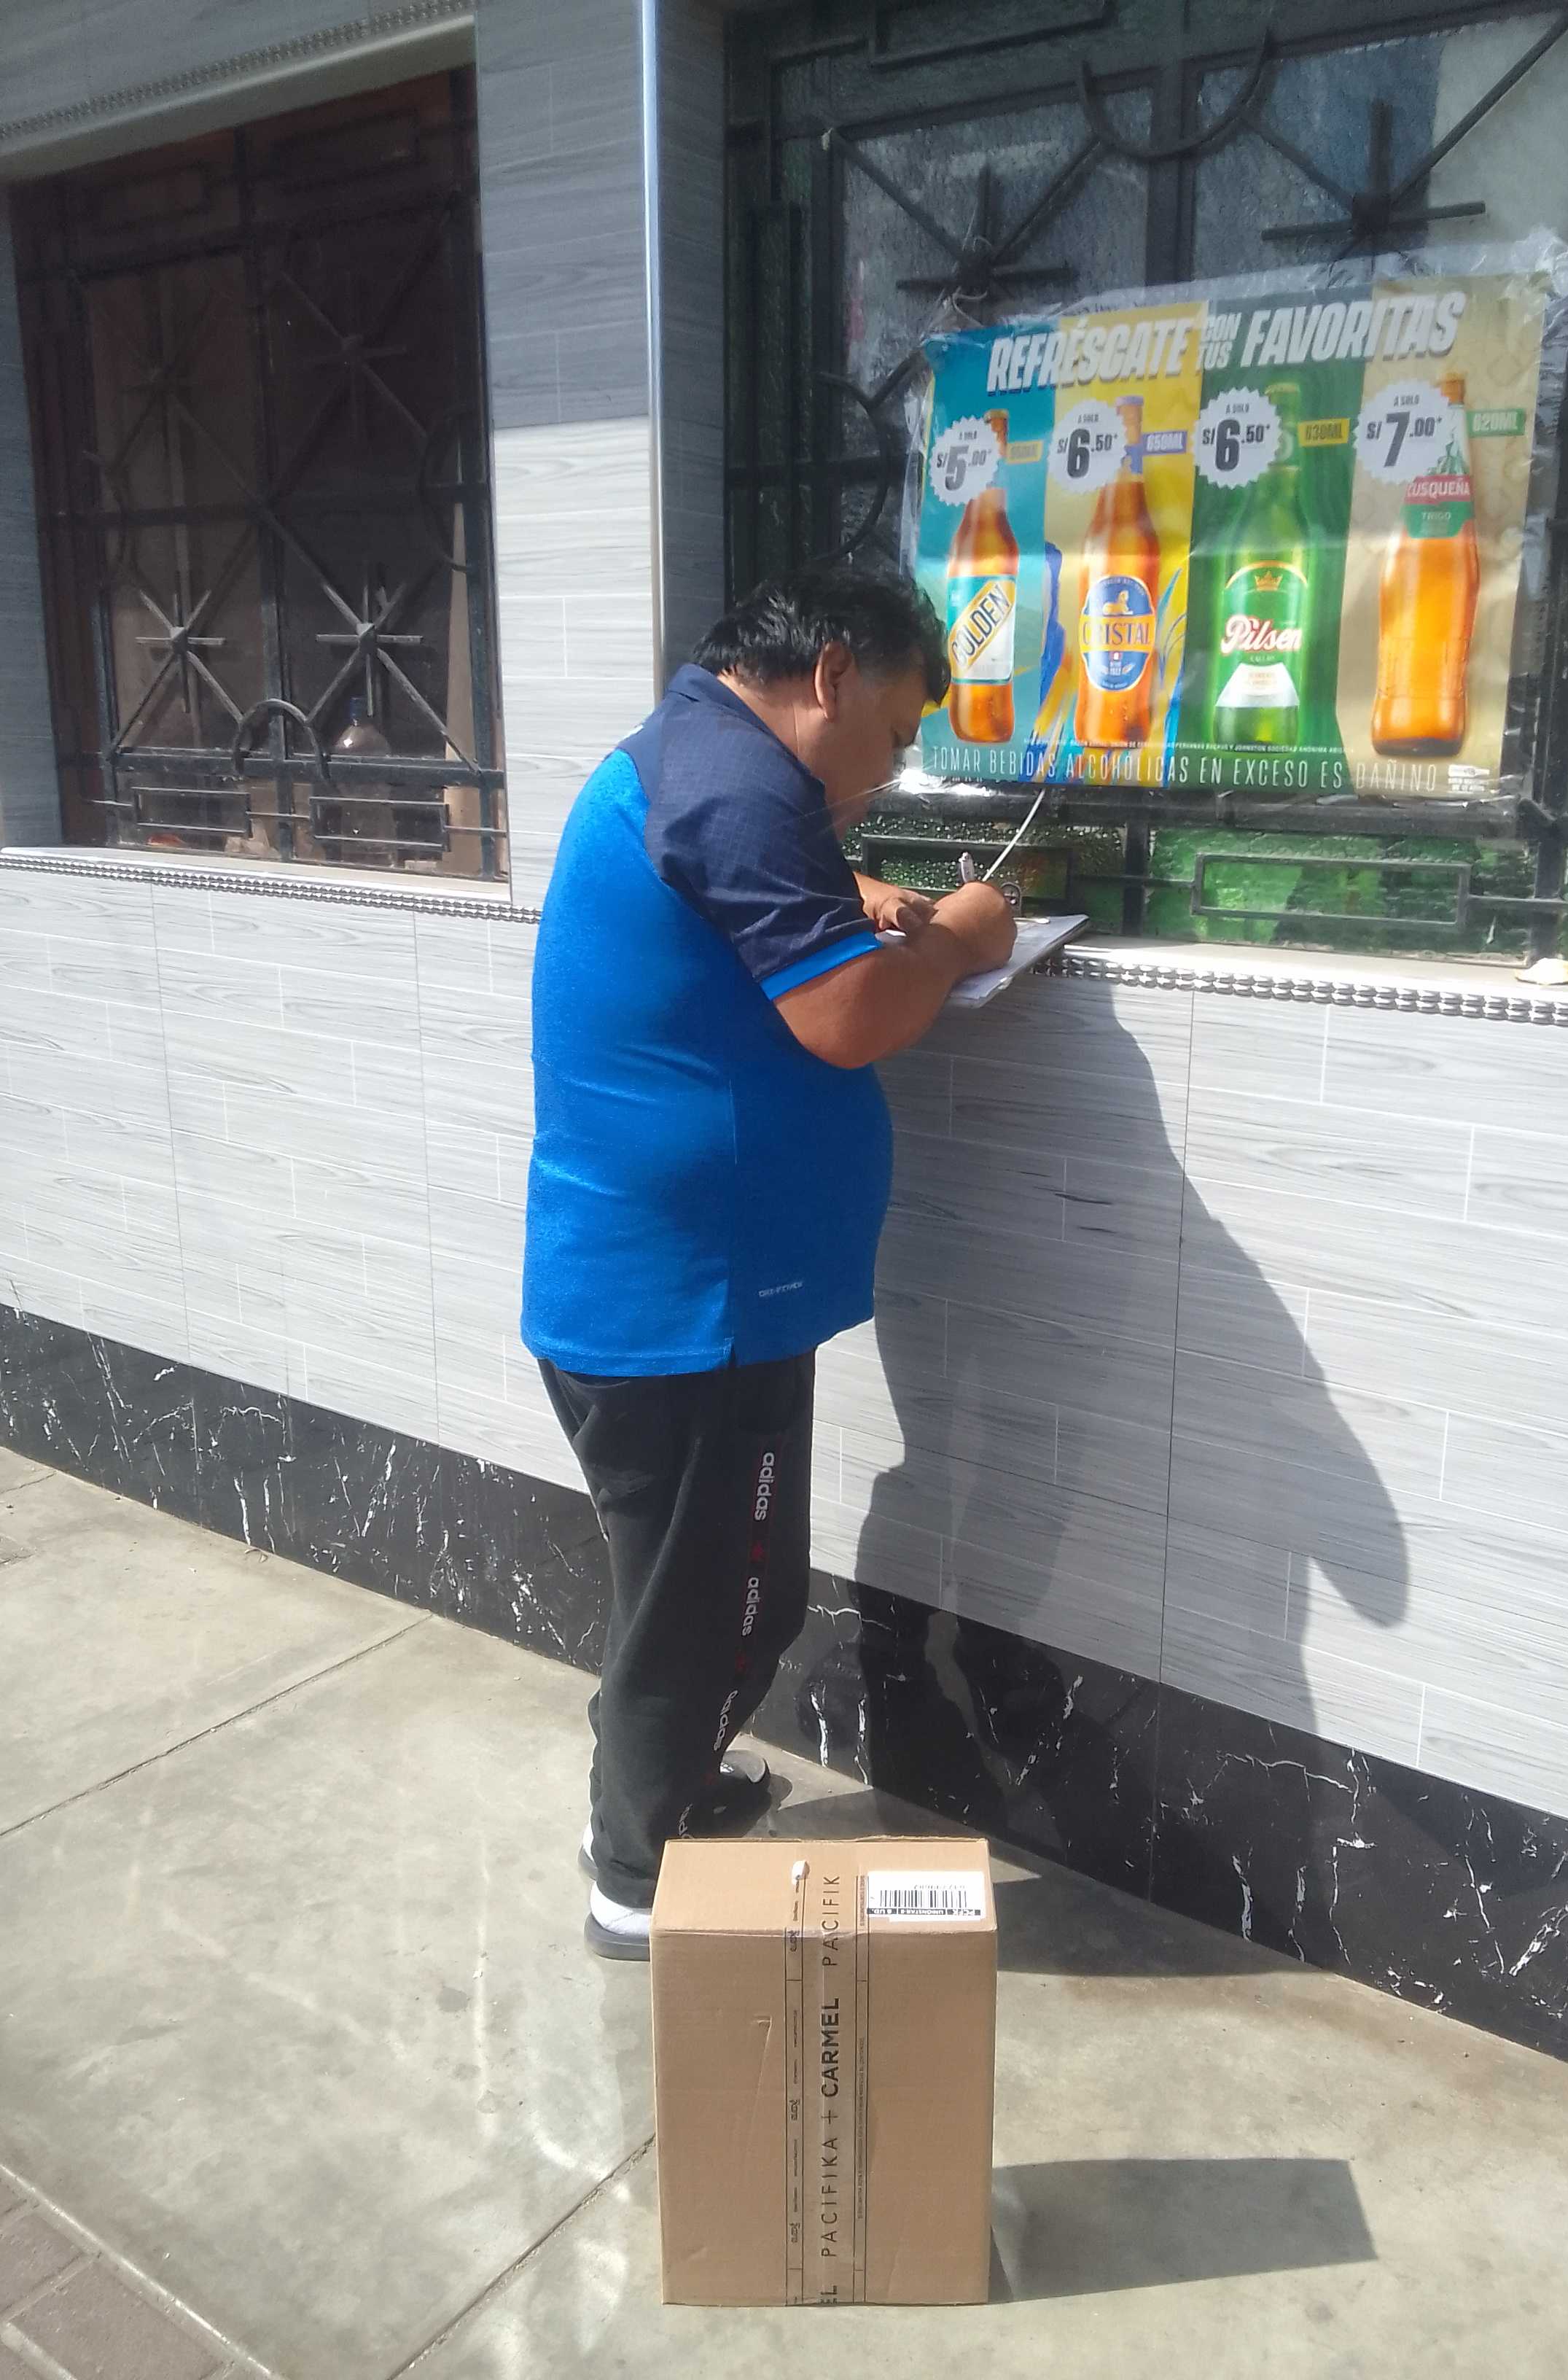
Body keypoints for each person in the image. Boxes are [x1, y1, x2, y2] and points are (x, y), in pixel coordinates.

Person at [521, 565, 1017, 1958]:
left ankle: (650, 1806)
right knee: (720, 1610)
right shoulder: (738, 784)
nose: (899, 764)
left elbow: (720, 896)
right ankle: (635, 1883)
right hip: (687, 1308)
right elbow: (851, 1015)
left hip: (682, 1292)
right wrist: (966, 931)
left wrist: (854, 887)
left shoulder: (701, 756)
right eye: (901, 730)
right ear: (833, 675)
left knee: (696, 1597)